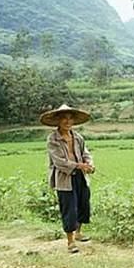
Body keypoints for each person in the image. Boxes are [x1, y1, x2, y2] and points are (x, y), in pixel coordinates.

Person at [40, 104, 95, 253]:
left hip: (80, 177)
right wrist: (79, 165)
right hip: (64, 179)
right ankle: (70, 242)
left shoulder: (77, 137)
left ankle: (78, 233)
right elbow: (59, 162)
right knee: (69, 208)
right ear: (58, 120)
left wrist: (89, 164)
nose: (67, 121)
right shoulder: (53, 139)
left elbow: (86, 153)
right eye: (64, 118)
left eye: (70, 118)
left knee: (83, 204)